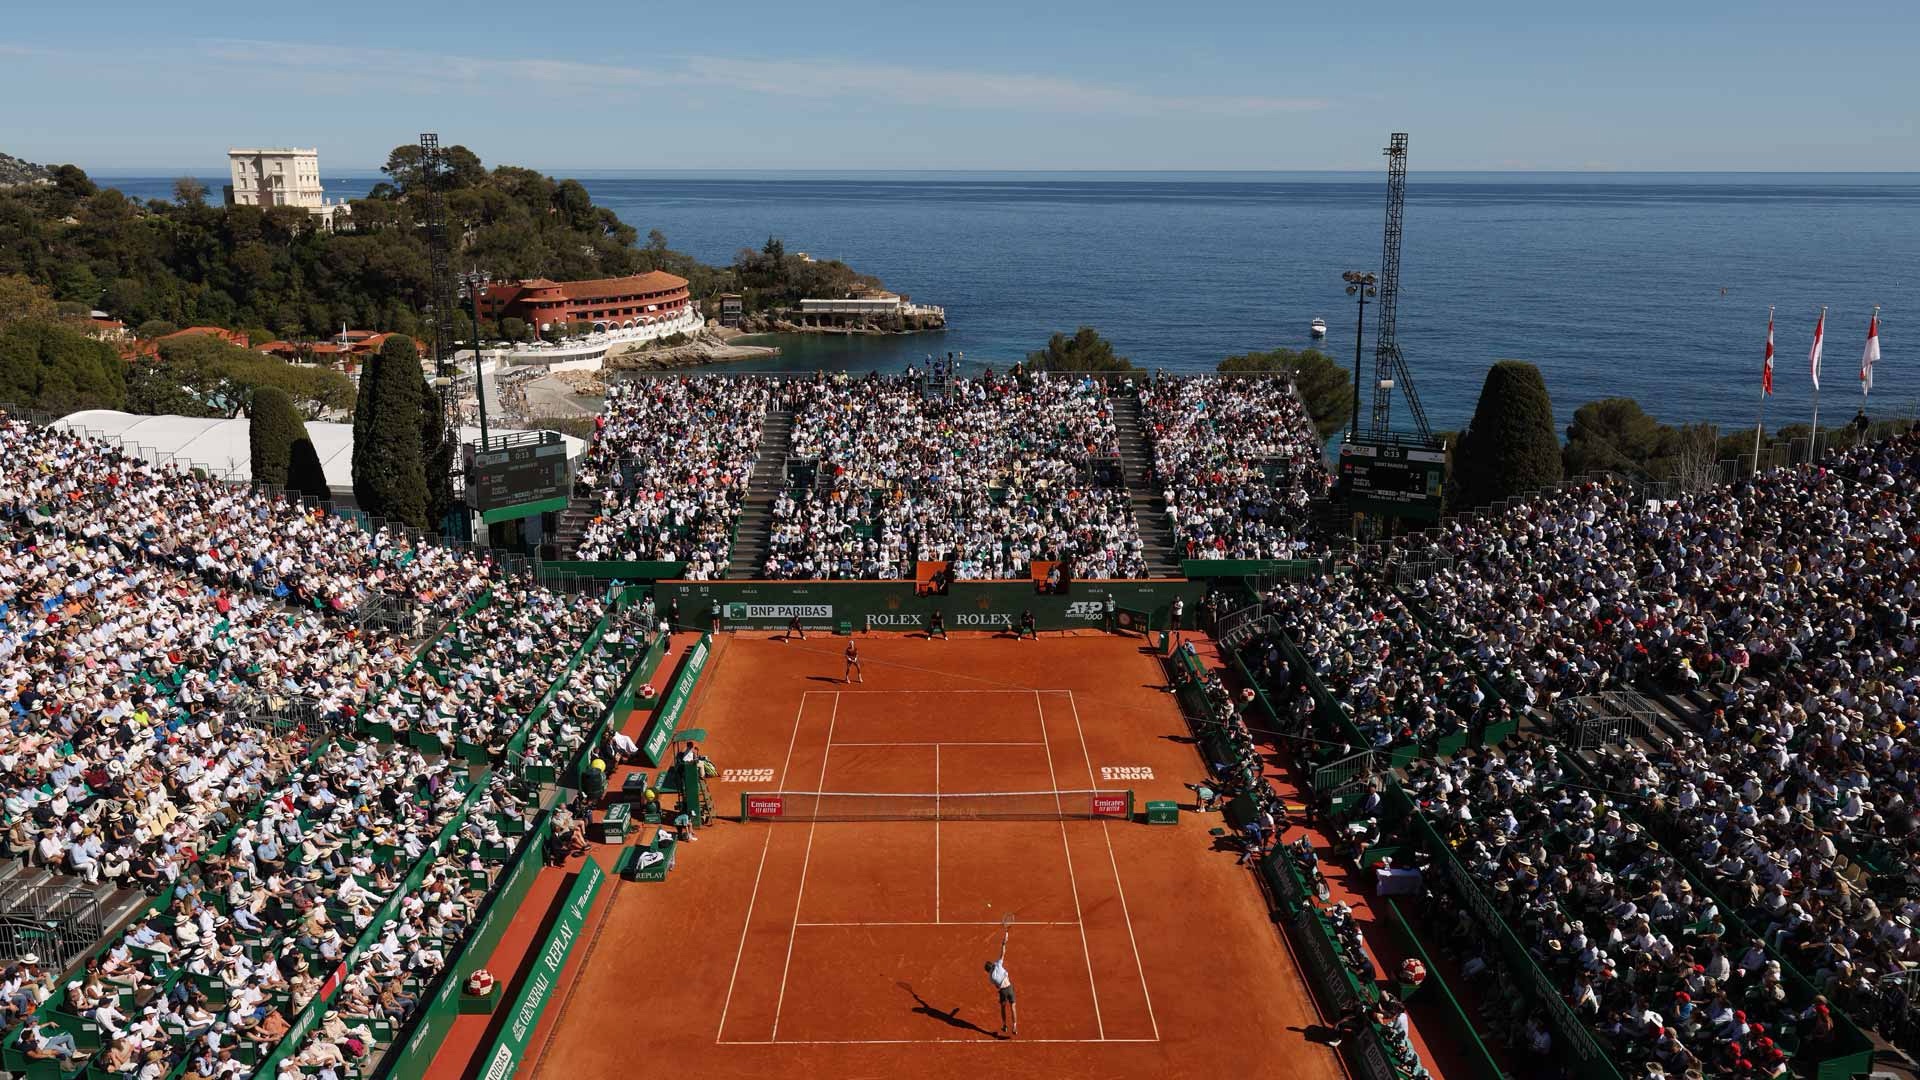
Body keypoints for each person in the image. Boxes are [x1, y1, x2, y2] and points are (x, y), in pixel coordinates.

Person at [985, 942, 1018, 1037]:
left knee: (1003, 1008)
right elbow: (1003, 953)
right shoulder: (998, 965)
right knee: (1013, 1007)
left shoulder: (991, 978)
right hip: (1009, 988)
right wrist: (1003, 944)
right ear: (992, 965)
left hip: (1003, 991)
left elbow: (997, 986)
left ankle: (1004, 1025)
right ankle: (1014, 1025)